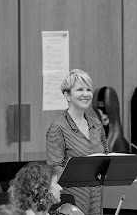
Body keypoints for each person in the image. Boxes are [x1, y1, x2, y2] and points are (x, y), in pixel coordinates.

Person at [46, 69, 109, 215]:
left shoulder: (97, 125)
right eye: (80, 89)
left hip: (97, 195)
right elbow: (54, 168)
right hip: (72, 198)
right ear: (67, 95)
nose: (86, 94)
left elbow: (105, 155)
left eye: (88, 89)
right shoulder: (57, 127)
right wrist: (83, 174)